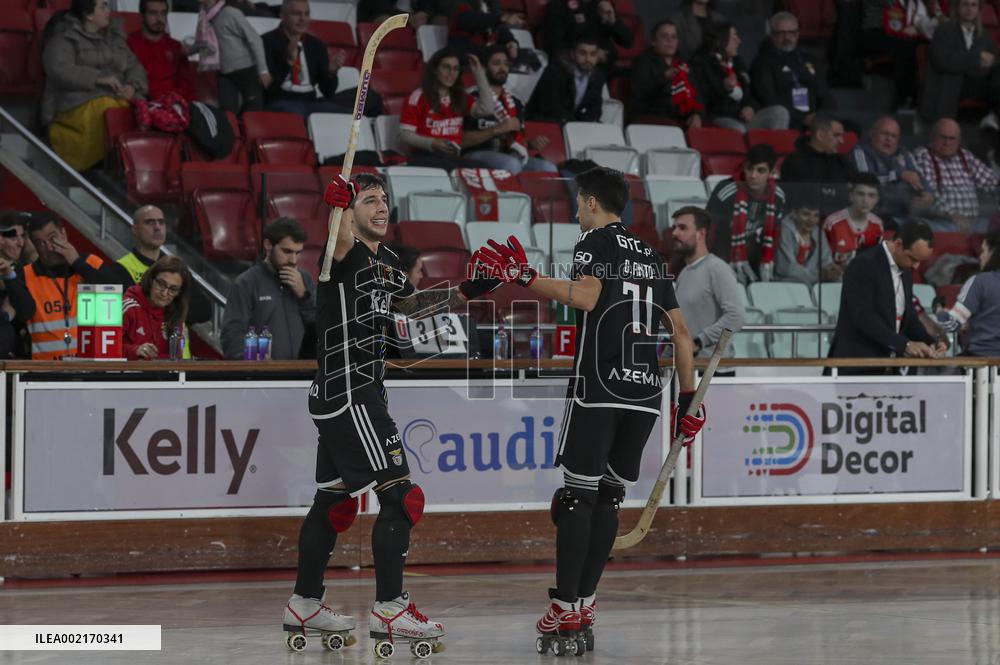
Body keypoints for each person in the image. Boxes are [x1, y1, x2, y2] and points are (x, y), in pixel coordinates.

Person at [471, 167, 704, 654]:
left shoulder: (594, 241)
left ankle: (565, 608)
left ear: (593, 203)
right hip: (646, 397)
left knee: (577, 499)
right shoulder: (653, 256)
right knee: (608, 501)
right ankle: (586, 604)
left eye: (579, 204)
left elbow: (588, 296)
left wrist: (527, 277)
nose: (578, 212)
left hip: (599, 387)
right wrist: (687, 399)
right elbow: (681, 335)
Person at [288, 172, 503, 651]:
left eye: (384, 199)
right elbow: (337, 234)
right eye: (369, 200)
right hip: (349, 393)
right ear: (352, 211)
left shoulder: (387, 260)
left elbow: (410, 307)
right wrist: (337, 207)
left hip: (360, 393)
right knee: (402, 497)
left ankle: (303, 606)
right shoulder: (342, 252)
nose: (381, 207)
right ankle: (391, 609)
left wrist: (470, 289)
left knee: (334, 502)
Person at [42, 0, 149, 171]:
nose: (108, 11)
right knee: (107, 108)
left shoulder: (115, 38)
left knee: (144, 110)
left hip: (115, 98)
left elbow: (135, 67)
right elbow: (59, 70)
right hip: (73, 104)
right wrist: (98, 78)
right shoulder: (64, 38)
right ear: (88, 14)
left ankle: (129, 171)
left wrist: (133, 87)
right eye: (103, 6)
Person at [828, 220, 943, 374]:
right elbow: (863, 317)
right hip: (858, 367)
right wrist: (906, 345)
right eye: (913, 259)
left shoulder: (906, 270)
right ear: (898, 244)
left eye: (920, 261)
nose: (916, 266)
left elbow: (909, 318)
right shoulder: (863, 265)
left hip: (890, 369)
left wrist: (931, 342)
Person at [21, 213, 121, 360]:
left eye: (52, 237)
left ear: (64, 233)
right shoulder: (27, 275)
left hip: (89, 366)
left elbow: (118, 292)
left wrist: (76, 262)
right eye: (40, 243)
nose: (49, 247)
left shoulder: (91, 263)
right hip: (45, 371)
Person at [262, 0, 381, 118]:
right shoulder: (266, 42)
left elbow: (328, 92)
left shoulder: (316, 45)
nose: (302, 19)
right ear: (282, 15)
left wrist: (331, 73)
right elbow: (268, 91)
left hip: (313, 103)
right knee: (298, 113)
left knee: (368, 97)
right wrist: (288, 63)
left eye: (306, 14)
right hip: (281, 102)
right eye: (296, 14)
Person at [220, 217, 316, 360]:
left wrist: (304, 296)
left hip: (302, 375)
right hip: (262, 377)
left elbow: (320, 328)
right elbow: (231, 335)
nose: (293, 260)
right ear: (268, 245)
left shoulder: (305, 280)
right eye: (287, 251)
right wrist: (250, 360)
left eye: (298, 253)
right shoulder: (246, 283)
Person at [462, 45, 558, 173]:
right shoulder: (469, 98)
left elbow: (515, 140)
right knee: (511, 164)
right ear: (483, 68)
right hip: (474, 154)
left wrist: (529, 144)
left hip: (508, 156)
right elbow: (460, 140)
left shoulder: (515, 102)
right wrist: (497, 129)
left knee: (548, 168)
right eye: (496, 63)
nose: (503, 68)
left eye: (506, 64)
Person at [108, 205, 210, 325]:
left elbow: (204, 311)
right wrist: (178, 303)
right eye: (149, 222)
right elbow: (135, 313)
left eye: (161, 222)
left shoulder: (177, 267)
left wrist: (156, 304)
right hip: (143, 343)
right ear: (135, 229)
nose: (157, 227)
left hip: (176, 343)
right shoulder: (121, 268)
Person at [671, 205, 744, 370]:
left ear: (700, 234)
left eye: (682, 228)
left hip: (713, 372)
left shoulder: (717, 268)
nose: (675, 233)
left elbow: (736, 315)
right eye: (674, 227)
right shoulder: (684, 273)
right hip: (692, 369)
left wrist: (699, 341)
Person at [399, 48, 494, 171]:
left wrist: (479, 73)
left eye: (455, 69)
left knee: (483, 170)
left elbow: (487, 109)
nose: (451, 73)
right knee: (451, 168)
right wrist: (432, 143)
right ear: (435, 70)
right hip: (425, 155)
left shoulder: (460, 96)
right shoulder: (419, 96)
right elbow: (404, 135)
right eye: (446, 67)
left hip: (451, 157)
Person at [706, 144, 786, 284]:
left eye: (760, 170)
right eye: (750, 169)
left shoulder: (778, 196)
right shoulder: (727, 191)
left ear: (771, 172)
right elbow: (707, 229)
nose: (753, 175)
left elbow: (775, 235)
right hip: (722, 247)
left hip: (754, 249)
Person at [690, 22, 789, 133]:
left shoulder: (738, 64)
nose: (739, 41)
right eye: (734, 37)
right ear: (719, 41)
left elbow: (753, 94)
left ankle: (772, 150)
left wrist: (751, 107)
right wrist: (724, 88)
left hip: (742, 118)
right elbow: (701, 101)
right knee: (738, 130)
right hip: (719, 118)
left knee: (779, 113)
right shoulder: (700, 64)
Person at [750, 11, 835, 129]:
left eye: (791, 32)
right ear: (772, 36)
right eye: (781, 33)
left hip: (814, 119)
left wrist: (821, 116)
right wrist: (802, 118)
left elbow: (824, 93)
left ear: (798, 34)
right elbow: (768, 98)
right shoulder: (762, 62)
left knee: (851, 127)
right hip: (788, 119)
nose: (787, 38)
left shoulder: (809, 60)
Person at [911, 118, 999, 232]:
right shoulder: (924, 155)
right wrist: (953, 215)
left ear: (959, 141)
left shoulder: (965, 156)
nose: (947, 143)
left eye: (952, 139)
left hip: (974, 221)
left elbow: (991, 182)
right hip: (942, 222)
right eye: (943, 137)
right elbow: (929, 194)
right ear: (932, 137)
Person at [919, 0, 1000, 124]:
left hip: (975, 81)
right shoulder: (944, 30)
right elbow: (943, 61)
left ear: (978, 10)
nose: (969, 9)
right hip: (952, 84)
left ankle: (995, 116)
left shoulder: (982, 33)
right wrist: (976, 59)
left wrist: (985, 62)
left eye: (973, 5)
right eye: (965, 4)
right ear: (957, 8)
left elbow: (993, 58)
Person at [850, 115, 935, 224]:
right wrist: (899, 175)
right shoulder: (860, 152)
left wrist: (928, 195)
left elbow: (921, 180)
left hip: (908, 214)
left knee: (944, 228)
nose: (889, 139)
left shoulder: (905, 154)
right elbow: (867, 182)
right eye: (884, 134)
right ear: (872, 134)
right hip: (877, 215)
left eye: (893, 136)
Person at [194, 0, 270, 113]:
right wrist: (187, 50)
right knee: (227, 112)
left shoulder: (230, 13)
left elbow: (255, 40)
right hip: (224, 72)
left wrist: (263, 70)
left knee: (254, 110)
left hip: (246, 69)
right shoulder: (203, 18)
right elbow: (202, 44)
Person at [936, 229, 1000, 356]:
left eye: (984, 251)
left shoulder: (980, 282)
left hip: (979, 363)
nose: (980, 256)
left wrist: (939, 311)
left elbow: (951, 324)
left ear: (994, 252)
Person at [628, 21, 703, 127]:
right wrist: (664, 77)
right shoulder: (642, 62)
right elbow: (641, 94)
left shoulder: (683, 64)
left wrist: (696, 114)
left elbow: (697, 95)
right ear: (654, 41)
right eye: (664, 36)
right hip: (652, 119)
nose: (670, 40)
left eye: (674, 37)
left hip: (680, 119)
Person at [780, 113, 856, 216]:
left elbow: (856, 192)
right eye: (836, 135)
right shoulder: (794, 161)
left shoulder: (842, 161)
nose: (842, 141)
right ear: (820, 135)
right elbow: (798, 200)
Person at [122, 256, 192, 360]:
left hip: (161, 375)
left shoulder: (175, 315)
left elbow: (175, 360)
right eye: (161, 284)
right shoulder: (128, 307)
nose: (164, 293)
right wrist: (135, 350)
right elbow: (105, 349)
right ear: (151, 280)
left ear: (179, 293)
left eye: (173, 289)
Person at [526, 34, 605, 124]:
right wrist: (575, 124)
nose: (588, 59)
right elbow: (550, 106)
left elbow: (596, 108)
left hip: (571, 124)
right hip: (543, 121)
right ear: (572, 54)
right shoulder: (555, 71)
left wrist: (584, 124)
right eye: (583, 53)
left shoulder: (598, 76)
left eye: (593, 54)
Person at [127, 0, 196, 101]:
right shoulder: (130, 43)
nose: (159, 19)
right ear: (142, 16)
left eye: (163, 13)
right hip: (145, 105)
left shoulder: (176, 46)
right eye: (153, 13)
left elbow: (187, 88)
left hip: (175, 104)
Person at [540, 0, 633, 71]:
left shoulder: (601, 5)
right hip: (575, 69)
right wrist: (588, 55)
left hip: (606, 67)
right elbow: (553, 47)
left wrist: (613, 22)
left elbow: (628, 42)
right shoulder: (558, 6)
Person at [775, 186, 840, 286]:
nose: (811, 220)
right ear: (794, 213)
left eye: (816, 215)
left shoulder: (819, 233)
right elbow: (786, 269)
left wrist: (833, 271)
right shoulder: (783, 230)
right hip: (784, 286)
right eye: (806, 214)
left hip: (814, 287)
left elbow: (826, 263)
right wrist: (820, 275)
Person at [823, 173, 886, 269]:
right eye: (860, 194)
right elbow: (823, 260)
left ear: (877, 199)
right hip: (835, 280)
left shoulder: (878, 224)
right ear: (851, 195)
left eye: (871, 195)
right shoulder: (832, 222)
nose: (865, 200)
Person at [0, 215, 37, 359]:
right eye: (13, 237)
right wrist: (6, 315)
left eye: (23, 237)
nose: (21, 243)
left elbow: (27, 311)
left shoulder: (21, 272)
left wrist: (10, 276)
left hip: (17, 357)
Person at [447, 0, 525, 59]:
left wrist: (510, 41)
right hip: (466, 56)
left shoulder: (492, 3)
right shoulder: (459, 2)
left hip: (489, 58)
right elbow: (468, 20)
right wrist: (501, 18)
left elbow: (500, 27)